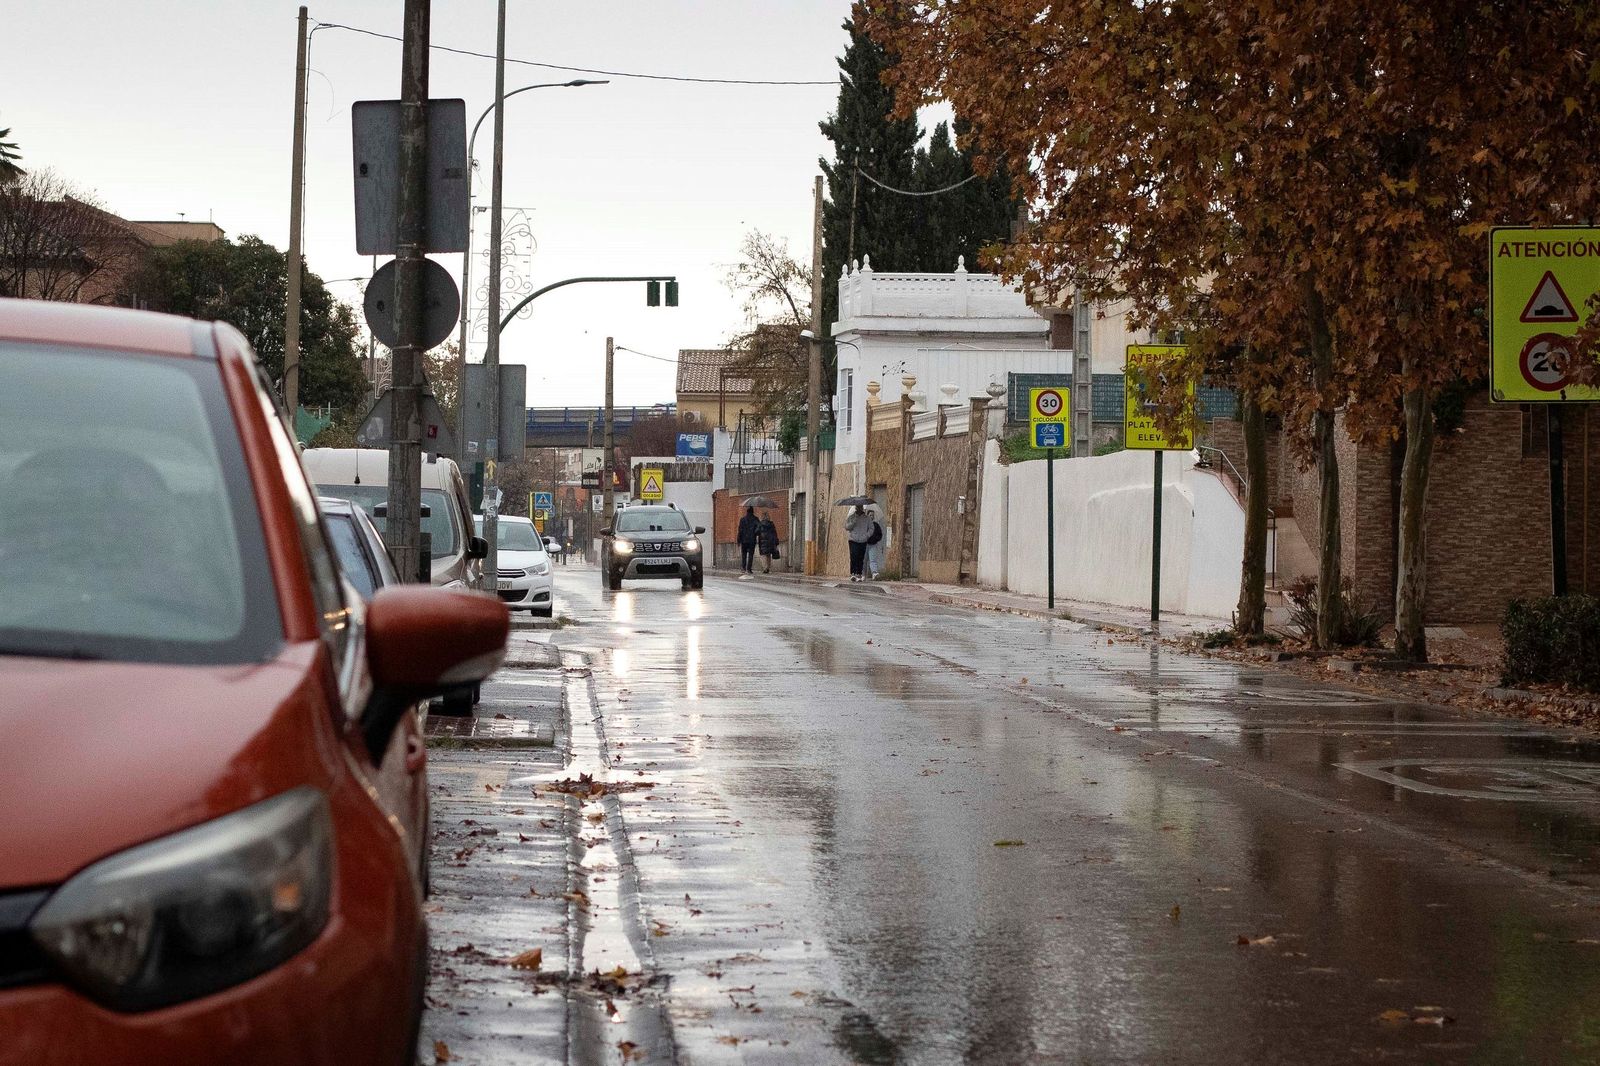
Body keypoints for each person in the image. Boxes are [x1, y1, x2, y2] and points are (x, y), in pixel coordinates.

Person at [845, 502, 872, 581]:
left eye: (860, 507)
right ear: (856, 508)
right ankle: (853, 573)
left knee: (861, 557)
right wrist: (853, 522)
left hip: (863, 540)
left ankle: (859, 574)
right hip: (853, 539)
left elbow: (871, 528)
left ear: (862, 508)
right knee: (854, 556)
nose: (859, 509)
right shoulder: (851, 517)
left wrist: (867, 535)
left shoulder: (867, 518)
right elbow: (847, 527)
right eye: (858, 507)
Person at [737, 505, 760, 575]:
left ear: (747, 512)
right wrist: (756, 533)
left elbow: (740, 530)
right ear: (753, 511)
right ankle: (749, 569)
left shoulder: (742, 519)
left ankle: (743, 568)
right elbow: (759, 528)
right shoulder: (756, 519)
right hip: (752, 540)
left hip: (744, 540)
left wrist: (738, 540)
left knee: (744, 554)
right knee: (751, 555)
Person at [866, 508, 887, 580]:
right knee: (864, 561)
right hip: (864, 545)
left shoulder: (876, 525)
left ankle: (874, 573)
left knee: (873, 560)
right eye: (870, 515)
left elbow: (880, 534)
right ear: (867, 515)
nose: (871, 516)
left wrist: (875, 539)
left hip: (873, 545)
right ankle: (862, 575)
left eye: (872, 515)